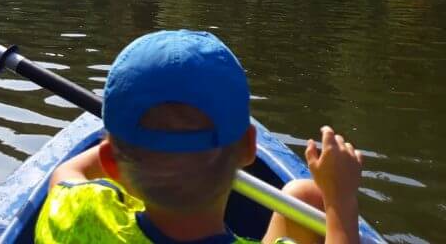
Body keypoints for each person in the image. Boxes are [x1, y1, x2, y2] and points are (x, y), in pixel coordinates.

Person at [35, 30, 363, 244]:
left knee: (304, 197)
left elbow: (65, 174)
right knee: (312, 198)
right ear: (249, 147)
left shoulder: (78, 220)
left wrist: (123, 149)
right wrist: (342, 200)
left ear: (111, 164)